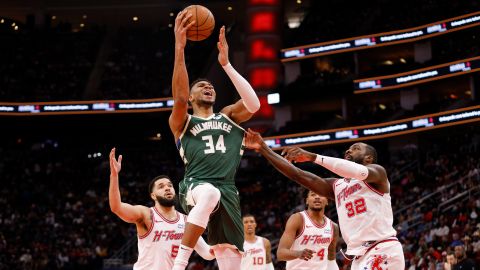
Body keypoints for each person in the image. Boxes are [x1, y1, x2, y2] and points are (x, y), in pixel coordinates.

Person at [170, 9, 260, 270]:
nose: (208, 87)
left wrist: (226, 64)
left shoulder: (229, 116)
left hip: (229, 190)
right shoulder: (183, 122)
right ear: (191, 97)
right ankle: (180, 264)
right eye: (201, 86)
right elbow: (178, 96)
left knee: (229, 261)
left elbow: (253, 104)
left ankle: (194, 237)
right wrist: (179, 47)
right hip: (195, 185)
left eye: (210, 86)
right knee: (209, 193)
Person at [244, 130, 405, 270]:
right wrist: (263, 148)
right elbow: (298, 174)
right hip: (360, 256)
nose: (349, 151)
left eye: (355, 149)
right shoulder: (337, 185)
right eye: (348, 149)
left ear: (369, 158)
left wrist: (312, 157)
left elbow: (356, 171)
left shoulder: (378, 174)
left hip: (382, 248)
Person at [108, 148, 215, 270]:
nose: (167, 188)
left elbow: (207, 253)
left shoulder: (187, 221)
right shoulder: (146, 214)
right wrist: (114, 175)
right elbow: (116, 207)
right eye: (161, 186)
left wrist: (222, 247)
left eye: (170, 185)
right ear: (153, 195)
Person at [277, 190, 339, 270]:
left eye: (321, 195)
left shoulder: (333, 227)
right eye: (313, 195)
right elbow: (280, 253)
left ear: (327, 201)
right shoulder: (298, 219)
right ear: (307, 201)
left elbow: (331, 259)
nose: (317, 197)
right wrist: (298, 253)